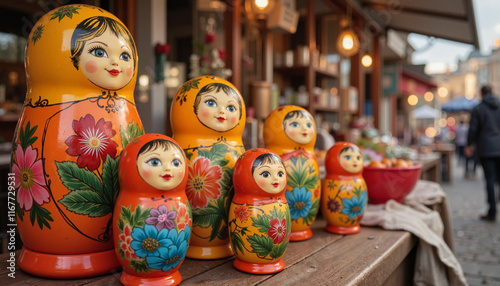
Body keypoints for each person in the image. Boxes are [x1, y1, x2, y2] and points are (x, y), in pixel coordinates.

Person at [466, 85, 500, 221]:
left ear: (481, 93)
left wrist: (469, 144)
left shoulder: (479, 108)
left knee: (490, 180)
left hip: (486, 149)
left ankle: (492, 211)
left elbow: (473, 129)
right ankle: (494, 206)